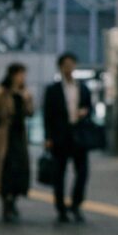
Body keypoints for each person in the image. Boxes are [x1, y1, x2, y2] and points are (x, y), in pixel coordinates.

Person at [0, 63, 34, 223]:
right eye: (20, 74)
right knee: (5, 171)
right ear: (12, 75)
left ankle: (13, 200)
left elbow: (30, 113)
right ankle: (6, 203)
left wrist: (27, 99)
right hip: (3, 137)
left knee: (20, 170)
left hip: (19, 137)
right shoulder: (1, 92)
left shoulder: (24, 93)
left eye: (23, 74)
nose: (22, 78)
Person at [43, 53, 91, 223]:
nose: (69, 68)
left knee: (83, 173)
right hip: (60, 137)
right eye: (66, 65)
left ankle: (76, 205)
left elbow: (89, 108)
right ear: (60, 67)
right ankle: (61, 208)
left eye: (71, 64)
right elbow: (47, 115)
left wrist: (85, 112)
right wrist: (48, 137)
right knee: (59, 174)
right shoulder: (53, 90)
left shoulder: (83, 88)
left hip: (79, 136)